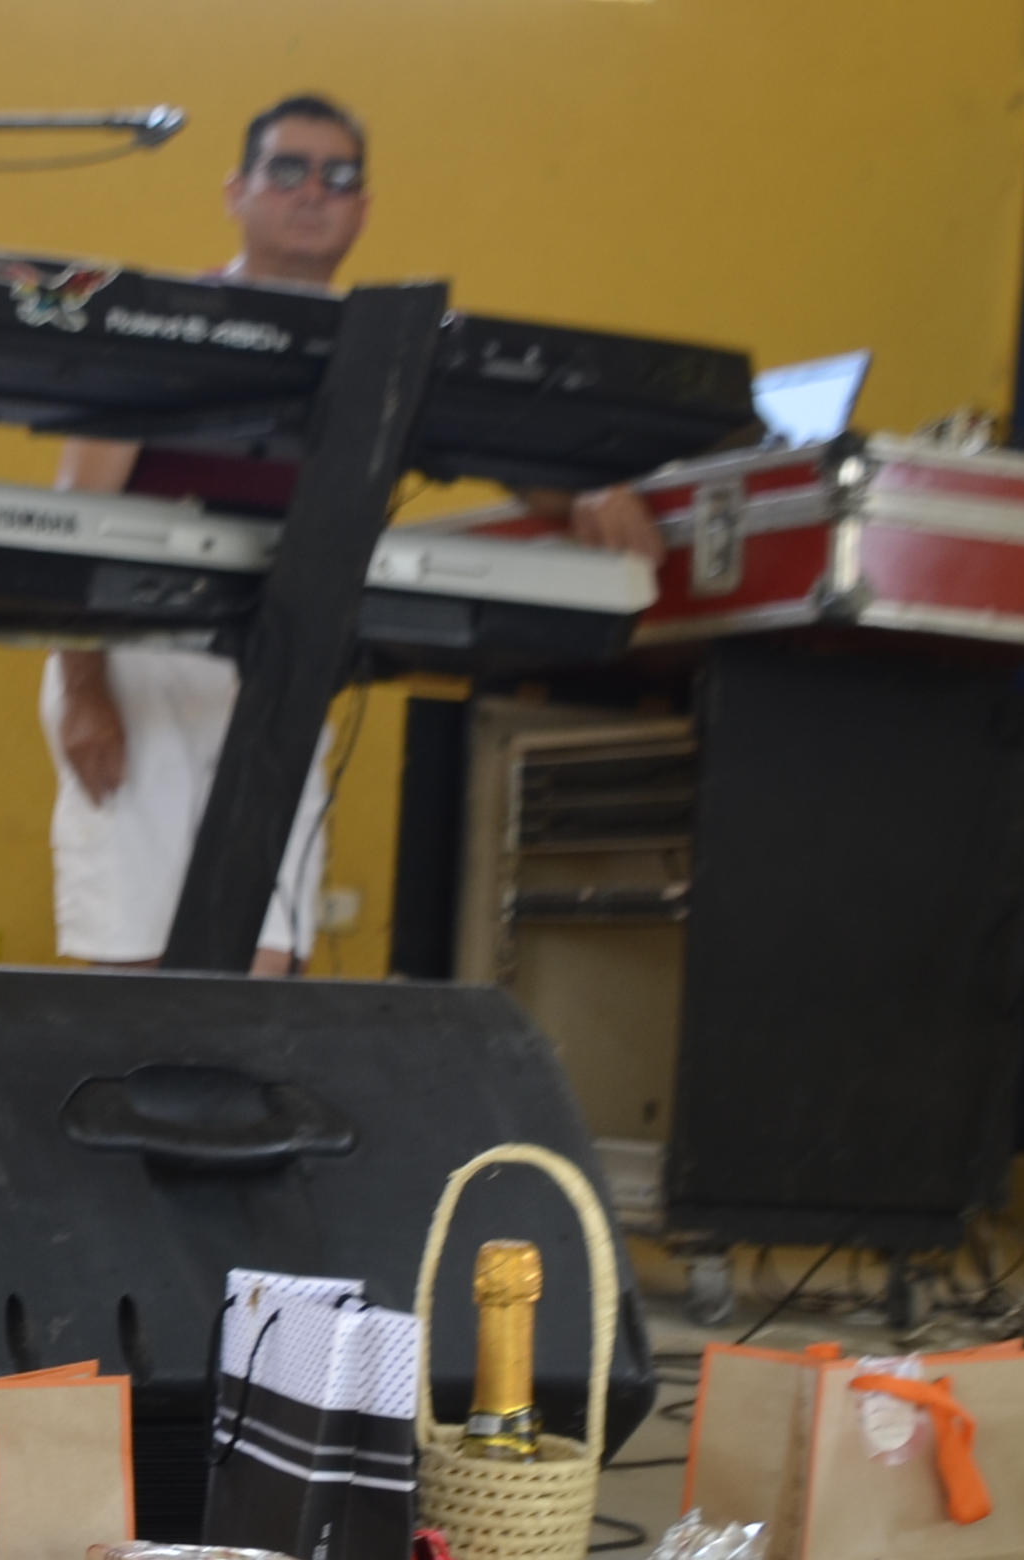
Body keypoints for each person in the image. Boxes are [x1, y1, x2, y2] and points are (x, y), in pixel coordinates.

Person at [40, 94, 663, 971]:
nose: (312, 193)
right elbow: (77, 525)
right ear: (237, 192)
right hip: (144, 659)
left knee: (263, 967)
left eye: (338, 178)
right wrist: (83, 689)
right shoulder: (162, 326)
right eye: (286, 170)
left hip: (283, 662)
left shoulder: (388, 358)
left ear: (362, 210)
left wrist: (597, 487)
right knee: (140, 965)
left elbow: (526, 473)